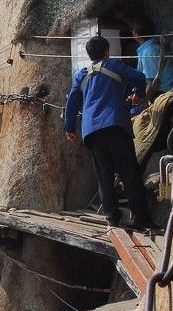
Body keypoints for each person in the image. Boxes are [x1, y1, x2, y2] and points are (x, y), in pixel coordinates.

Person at [64, 35, 154, 231]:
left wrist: (69, 128)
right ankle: (141, 218)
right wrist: (138, 93)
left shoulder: (81, 74)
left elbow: (72, 102)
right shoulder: (113, 65)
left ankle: (112, 218)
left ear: (89, 55)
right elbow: (139, 77)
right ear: (107, 51)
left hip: (92, 132)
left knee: (104, 175)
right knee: (129, 172)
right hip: (115, 125)